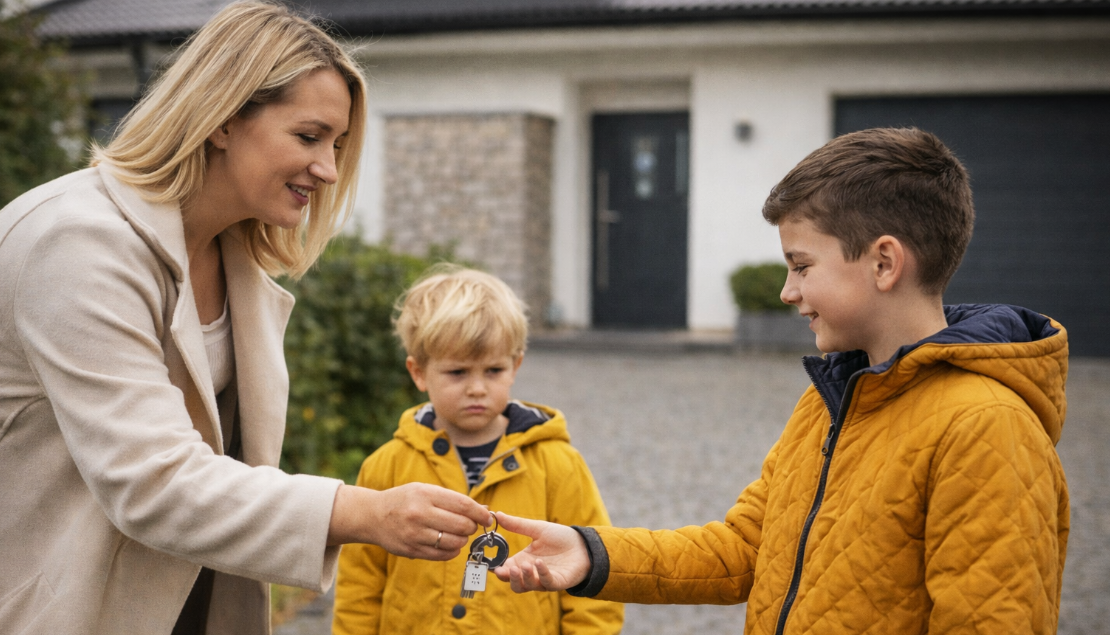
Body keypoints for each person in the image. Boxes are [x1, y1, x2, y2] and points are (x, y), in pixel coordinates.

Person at [0, 3, 492, 634]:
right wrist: (366, 513)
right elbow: (151, 482)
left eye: (337, 145)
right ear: (223, 120)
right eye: (309, 137)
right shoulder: (76, 244)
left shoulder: (234, 258)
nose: (329, 170)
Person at [491, 128, 1070, 634]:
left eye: (801, 266)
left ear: (884, 263)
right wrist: (591, 553)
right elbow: (745, 548)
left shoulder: (988, 429)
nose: (787, 292)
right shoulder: (831, 400)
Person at [332, 266, 624, 635]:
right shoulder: (385, 467)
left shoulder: (558, 465)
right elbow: (360, 584)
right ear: (418, 372)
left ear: (515, 366)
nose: (477, 388)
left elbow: (593, 573)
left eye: (493, 370)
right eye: (458, 373)